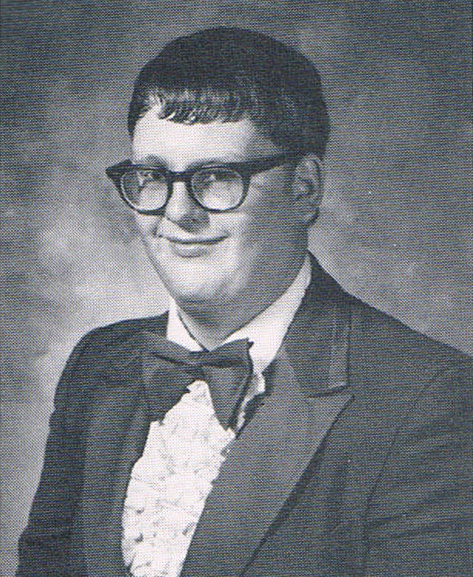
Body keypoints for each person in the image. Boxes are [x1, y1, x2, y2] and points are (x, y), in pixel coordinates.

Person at [17, 27, 472, 577]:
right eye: (153, 177)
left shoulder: (428, 398)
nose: (178, 212)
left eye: (216, 177)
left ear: (304, 188)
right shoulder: (98, 363)